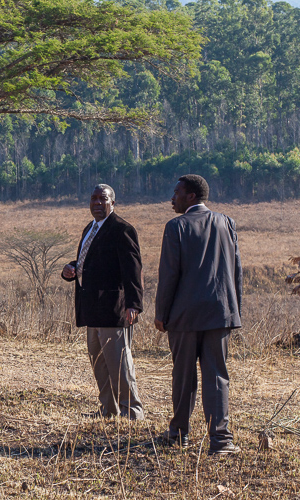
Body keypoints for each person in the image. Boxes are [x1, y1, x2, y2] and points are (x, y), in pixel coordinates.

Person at [155, 174, 242, 455]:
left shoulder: (176, 226)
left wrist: (161, 313)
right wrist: (234, 310)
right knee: (217, 376)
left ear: (191, 196)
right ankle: (221, 441)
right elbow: (236, 271)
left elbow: (169, 275)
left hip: (184, 316)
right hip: (220, 313)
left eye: (177, 192)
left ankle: (178, 434)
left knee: (183, 376)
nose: (173, 197)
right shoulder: (226, 222)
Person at [61, 184, 145, 420]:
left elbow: (133, 270)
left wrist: (134, 304)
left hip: (113, 309)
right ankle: (109, 410)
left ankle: (132, 412)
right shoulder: (91, 228)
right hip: (91, 310)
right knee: (99, 363)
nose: (97, 203)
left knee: (119, 365)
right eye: (94, 198)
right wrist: (72, 268)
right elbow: (87, 261)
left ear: (113, 203)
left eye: (103, 199)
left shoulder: (122, 229)